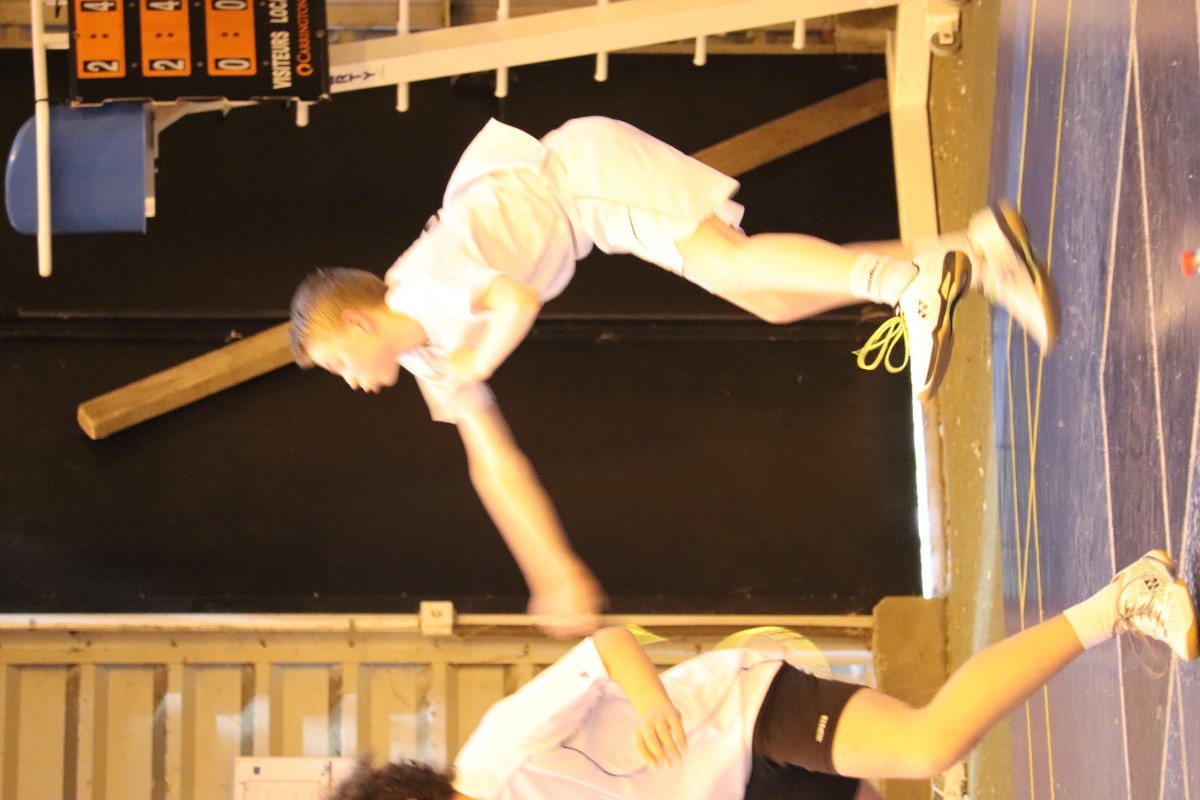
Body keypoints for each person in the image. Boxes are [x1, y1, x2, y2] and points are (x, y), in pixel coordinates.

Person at [289, 116, 1059, 634]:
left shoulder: (421, 290)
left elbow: (516, 299)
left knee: (737, 268)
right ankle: (972, 253)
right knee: (775, 300)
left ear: (357, 324)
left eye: (337, 365)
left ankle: (904, 285)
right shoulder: (426, 353)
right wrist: (551, 569)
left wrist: (479, 359)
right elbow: (493, 464)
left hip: (581, 176)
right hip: (587, 209)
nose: (349, 382)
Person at [327, 550, 1197, 800]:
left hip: (742, 714)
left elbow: (606, 646)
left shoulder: (499, 751)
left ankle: (1125, 597)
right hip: (737, 794)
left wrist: (649, 702)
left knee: (930, 743)